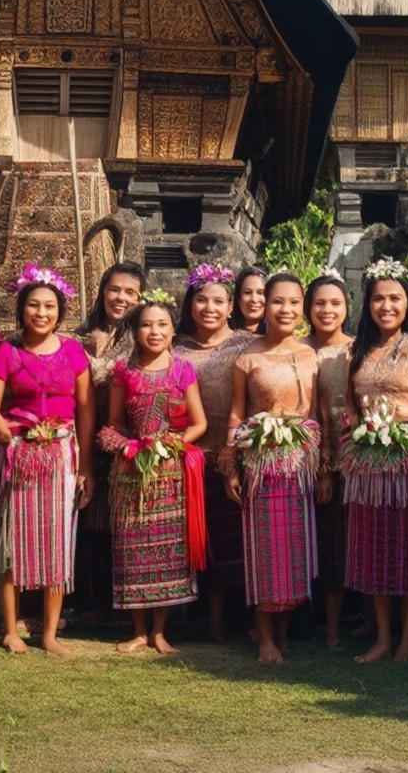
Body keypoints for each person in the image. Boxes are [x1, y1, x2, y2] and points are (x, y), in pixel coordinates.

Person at [340, 258, 408, 662]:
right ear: (367, 303)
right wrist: (354, 428)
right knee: (372, 547)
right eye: (378, 299)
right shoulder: (357, 350)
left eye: (395, 298)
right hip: (368, 462)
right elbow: (351, 405)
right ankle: (383, 637)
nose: (386, 306)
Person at [0, 265, 94, 656]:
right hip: (21, 455)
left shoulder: (74, 352)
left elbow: (86, 411)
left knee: (57, 543)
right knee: (15, 540)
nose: (41, 313)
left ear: (60, 311)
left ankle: (48, 634)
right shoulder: (7, 352)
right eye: (33, 305)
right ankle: (10, 629)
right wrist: (10, 440)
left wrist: (85, 468)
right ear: (21, 309)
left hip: (62, 455)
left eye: (49, 306)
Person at [225, 273, 321, 664]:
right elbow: (236, 413)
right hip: (261, 467)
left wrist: (325, 466)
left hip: (300, 464)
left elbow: (317, 412)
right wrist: (231, 466)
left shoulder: (311, 354)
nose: (286, 309)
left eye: (294, 302)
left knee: (295, 550)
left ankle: (283, 632)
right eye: (278, 301)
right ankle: (264, 635)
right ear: (264, 304)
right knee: (265, 550)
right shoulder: (247, 356)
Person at [103, 293, 206, 655]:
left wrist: (171, 445)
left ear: (174, 330)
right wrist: (127, 447)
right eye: (146, 324)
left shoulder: (183, 370)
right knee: (133, 550)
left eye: (162, 324)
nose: (153, 331)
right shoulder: (123, 372)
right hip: (131, 473)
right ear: (134, 330)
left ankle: (161, 632)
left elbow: (199, 423)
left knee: (167, 551)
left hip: (171, 474)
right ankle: (138, 631)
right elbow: (114, 424)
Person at [176, 262, 255, 641]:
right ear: (190, 303)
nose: (209, 308)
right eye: (202, 300)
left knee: (231, 537)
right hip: (187, 456)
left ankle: (234, 617)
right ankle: (199, 614)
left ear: (230, 307)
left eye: (218, 301)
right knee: (196, 538)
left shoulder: (246, 345)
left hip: (232, 454)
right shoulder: (175, 348)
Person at [75, 262, 146, 624]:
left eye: (130, 292)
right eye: (115, 290)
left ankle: (122, 602)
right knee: (88, 522)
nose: (121, 298)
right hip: (82, 435)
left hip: (126, 440)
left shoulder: (142, 340)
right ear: (103, 291)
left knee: (121, 523)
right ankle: (88, 602)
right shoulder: (80, 336)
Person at [308, 274, 353, 649]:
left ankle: (344, 624)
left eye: (335, 303)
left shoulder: (356, 351)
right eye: (320, 303)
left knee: (344, 543)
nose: (327, 310)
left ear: (347, 308)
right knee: (315, 542)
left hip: (354, 458)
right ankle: (310, 620)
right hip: (302, 461)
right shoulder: (298, 350)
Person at [234, 266, 269, 335]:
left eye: (260, 293)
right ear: (238, 298)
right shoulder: (224, 335)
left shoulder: (277, 336)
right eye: (247, 292)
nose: (254, 299)